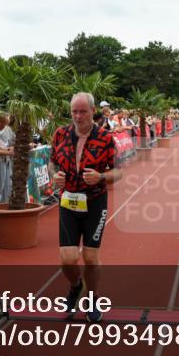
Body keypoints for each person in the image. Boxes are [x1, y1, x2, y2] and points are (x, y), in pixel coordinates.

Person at [50, 92, 120, 323]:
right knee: (67, 258)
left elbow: (118, 171)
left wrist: (101, 176)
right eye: (74, 112)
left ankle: (92, 298)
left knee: (90, 257)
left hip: (95, 202)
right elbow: (52, 163)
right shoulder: (60, 134)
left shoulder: (105, 138)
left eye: (83, 112)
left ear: (92, 111)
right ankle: (75, 286)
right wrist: (55, 175)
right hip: (68, 201)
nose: (78, 116)